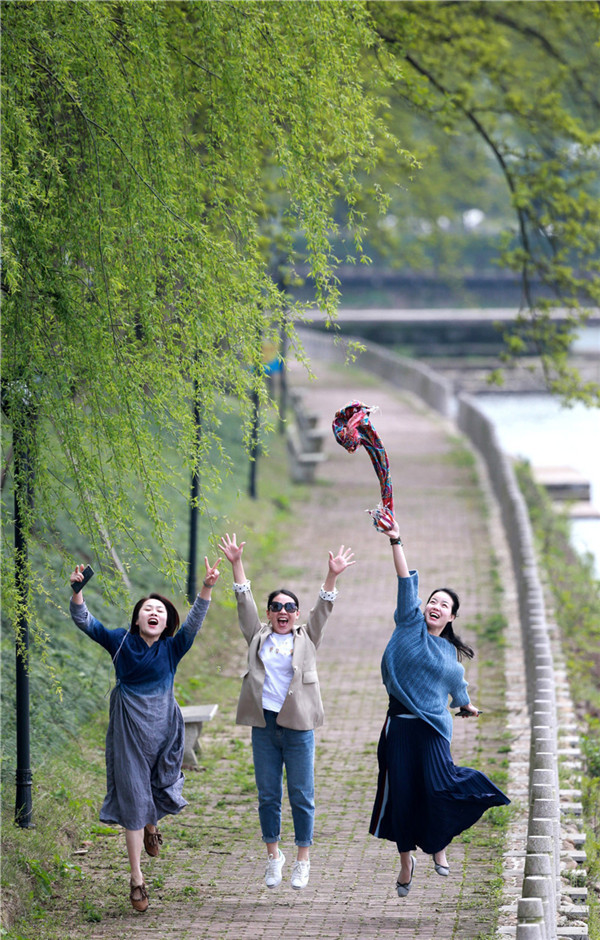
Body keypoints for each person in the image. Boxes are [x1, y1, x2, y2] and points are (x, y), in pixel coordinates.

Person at [368, 512, 510, 897]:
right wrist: (395, 540)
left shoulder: (450, 654)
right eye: (433, 600)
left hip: (431, 731)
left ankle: (439, 848)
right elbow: (403, 582)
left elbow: (457, 688)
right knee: (400, 793)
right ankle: (405, 863)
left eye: (444, 604)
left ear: (451, 617)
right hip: (398, 726)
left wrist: (467, 706)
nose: (436, 605)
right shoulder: (409, 624)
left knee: (437, 788)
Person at [69, 554, 221, 912]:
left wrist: (207, 587)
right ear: (137, 618)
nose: (155, 613)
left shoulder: (173, 647)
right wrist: (77, 592)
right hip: (128, 730)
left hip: (165, 730)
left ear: (166, 623)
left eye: (162, 611)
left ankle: (153, 825)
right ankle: (137, 879)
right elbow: (84, 621)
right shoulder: (121, 642)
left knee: (159, 784)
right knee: (135, 798)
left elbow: (195, 622)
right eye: (148, 609)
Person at [219, 531, 355, 890]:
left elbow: (323, 609)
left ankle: (302, 860)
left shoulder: (307, 637)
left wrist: (332, 575)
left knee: (301, 795)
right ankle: (272, 857)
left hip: (298, 728)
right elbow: (243, 604)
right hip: (263, 726)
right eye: (276, 607)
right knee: (267, 795)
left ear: (296, 615)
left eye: (289, 608)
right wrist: (237, 564)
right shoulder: (258, 636)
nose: (283, 612)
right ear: (269, 613)